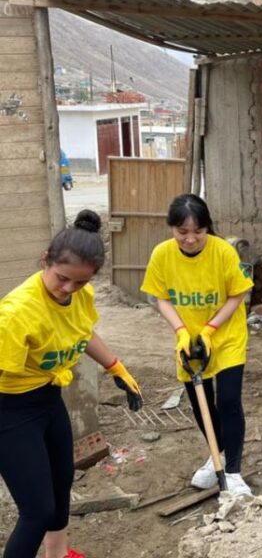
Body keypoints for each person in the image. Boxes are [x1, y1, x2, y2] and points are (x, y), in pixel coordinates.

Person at [0, 210, 143, 558]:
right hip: (10, 411)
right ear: (45, 261)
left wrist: (116, 366)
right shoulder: (17, 313)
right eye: (62, 279)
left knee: (61, 483)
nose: (69, 289)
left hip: (49, 399)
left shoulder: (80, 296)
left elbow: (83, 331)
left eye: (80, 282)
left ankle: (58, 554)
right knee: (36, 512)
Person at [141, 194, 253, 497]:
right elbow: (160, 297)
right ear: (172, 229)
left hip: (226, 335)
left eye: (198, 232)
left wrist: (210, 328)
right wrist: (180, 330)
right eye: (182, 233)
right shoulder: (162, 254)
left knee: (228, 402)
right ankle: (215, 456)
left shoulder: (223, 252)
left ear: (207, 229)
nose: (190, 239)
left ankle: (233, 472)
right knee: (200, 403)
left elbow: (237, 295)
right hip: (188, 340)